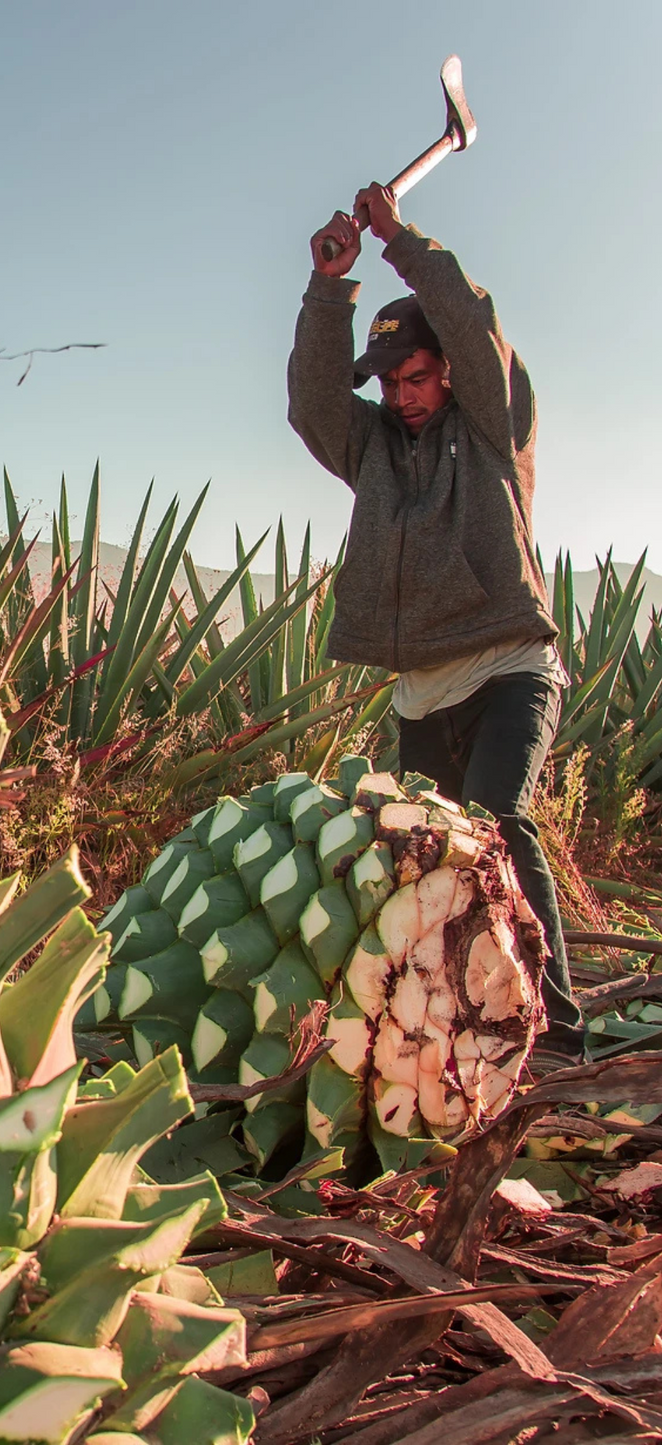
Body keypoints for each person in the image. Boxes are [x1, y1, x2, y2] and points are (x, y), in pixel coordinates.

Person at [287, 181, 585, 1067]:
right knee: (440, 863)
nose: (402, 395)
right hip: (422, 690)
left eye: (415, 376)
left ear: (449, 370)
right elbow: (313, 406)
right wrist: (328, 289)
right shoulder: (373, 447)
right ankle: (471, 1036)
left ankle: (558, 1030)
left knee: (498, 821)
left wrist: (400, 240)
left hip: (508, 665)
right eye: (388, 382)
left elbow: (473, 323)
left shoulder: (492, 426)